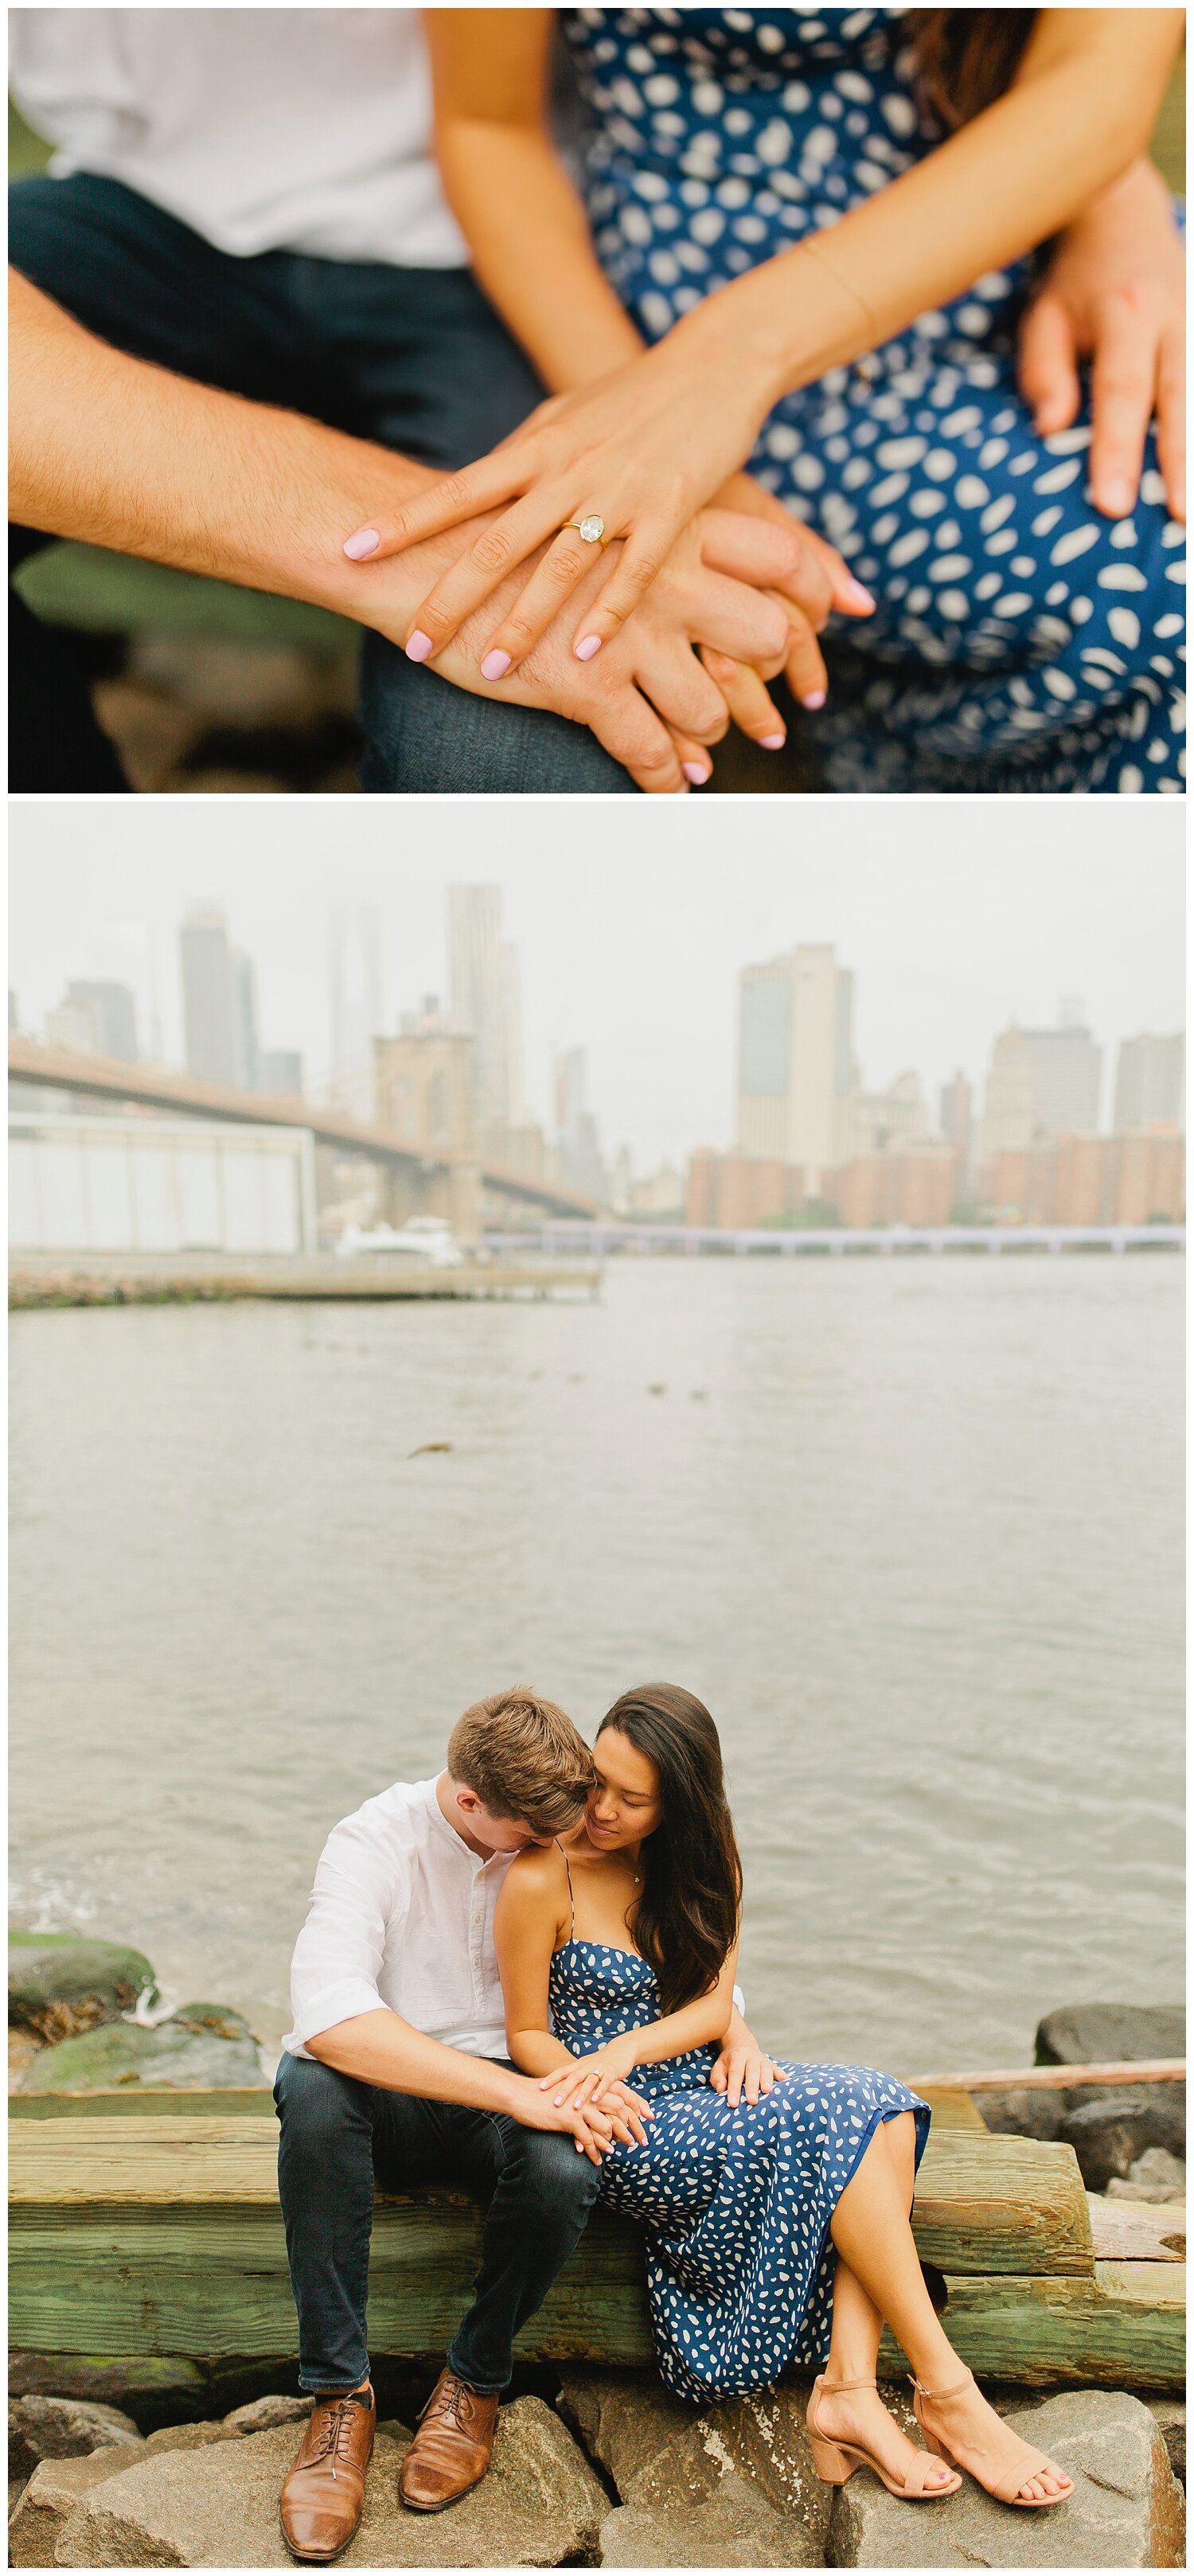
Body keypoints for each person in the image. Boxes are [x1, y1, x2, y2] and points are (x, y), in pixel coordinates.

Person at [7, 7, 862, 796]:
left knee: (508, 755)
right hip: (141, 197)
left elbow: (491, 126)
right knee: (545, 638)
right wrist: (447, 547)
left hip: (489, 249)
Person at [351, 6, 1187, 794]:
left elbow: (1096, 77)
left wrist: (1114, 198)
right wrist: (654, 402)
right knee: (1158, 589)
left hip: (1030, 234)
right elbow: (487, 128)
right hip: (762, 361)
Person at [495, 1684, 1077, 2508]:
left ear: (682, 1805)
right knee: (850, 2116)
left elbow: (708, 2003)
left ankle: (850, 2392)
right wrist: (589, 2080)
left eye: (632, 1799)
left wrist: (711, 2038)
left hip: (704, 2088)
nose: (601, 1811)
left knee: (880, 2103)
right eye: (596, 1783)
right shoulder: (538, 1874)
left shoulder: (708, 1863)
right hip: (615, 2122)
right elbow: (524, 2034)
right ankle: (944, 2392)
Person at [273, 1689, 777, 2561]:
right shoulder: (373, 1842)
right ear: (472, 1803)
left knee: (566, 2166)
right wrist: (511, 2093)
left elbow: (665, 1927)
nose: (570, 1836)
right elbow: (327, 2014)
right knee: (310, 2091)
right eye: (538, 1834)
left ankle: (473, 2380)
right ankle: (338, 2399)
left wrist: (736, 2019)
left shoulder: (553, 1816)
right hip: (397, 2094)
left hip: (517, 2085)